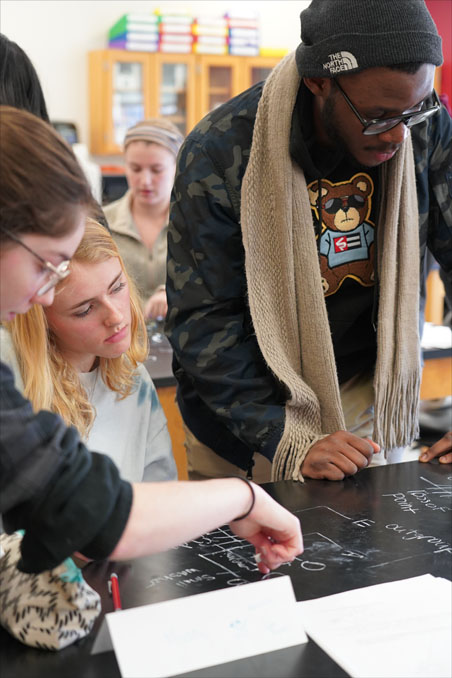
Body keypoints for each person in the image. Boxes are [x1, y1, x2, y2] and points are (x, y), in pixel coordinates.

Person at [0, 106, 303, 576]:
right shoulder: (13, 367)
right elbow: (86, 510)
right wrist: (243, 498)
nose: (42, 292)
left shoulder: (128, 380)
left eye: (119, 288)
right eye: (45, 266)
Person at [166, 0, 452, 483]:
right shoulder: (220, 151)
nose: (400, 136)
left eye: (414, 110)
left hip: (365, 391)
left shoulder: (424, 126)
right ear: (320, 82)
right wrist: (285, 436)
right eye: (379, 116)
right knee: (247, 558)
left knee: (365, 553)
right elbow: (202, 318)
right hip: (246, 418)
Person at [1, 219, 177, 483]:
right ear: (42, 319)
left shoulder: (133, 380)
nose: (116, 317)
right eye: (85, 309)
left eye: (117, 287)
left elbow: (161, 493)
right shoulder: (10, 381)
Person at [104, 119, 184, 320]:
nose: (145, 181)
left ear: (177, 166)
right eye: (135, 168)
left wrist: (176, 295)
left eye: (157, 170)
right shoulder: (101, 222)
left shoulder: (195, 221)